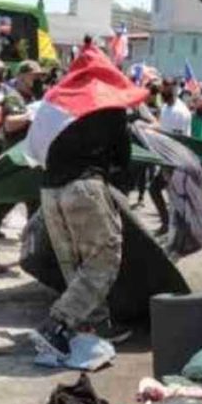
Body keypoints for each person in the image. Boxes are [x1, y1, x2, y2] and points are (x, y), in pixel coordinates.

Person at [28, 52, 140, 354]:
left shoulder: (52, 103)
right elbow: (122, 159)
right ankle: (57, 324)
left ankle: (94, 325)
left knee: (73, 262)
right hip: (85, 188)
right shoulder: (110, 106)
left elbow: (34, 151)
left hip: (50, 190)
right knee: (102, 258)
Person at [0, 60, 45, 273]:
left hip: (30, 161)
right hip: (16, 161)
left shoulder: (33, 99)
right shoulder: (13, 98)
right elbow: (11, 123)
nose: (38, 80)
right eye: (34, 76)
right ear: (22, 76)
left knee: (35, 210)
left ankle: (32, 256)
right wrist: (32, 114)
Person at [151, 78, 191, 235]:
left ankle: (180, 229)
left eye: (165, 92)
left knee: (176, 196)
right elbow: (162, 129)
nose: (162, 94)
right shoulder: (166, 108)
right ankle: (166, 224)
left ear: (173, 90)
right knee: (154, 190)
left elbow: (180, 140)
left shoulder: (181, 112)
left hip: (176, 160)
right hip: (164, 158)